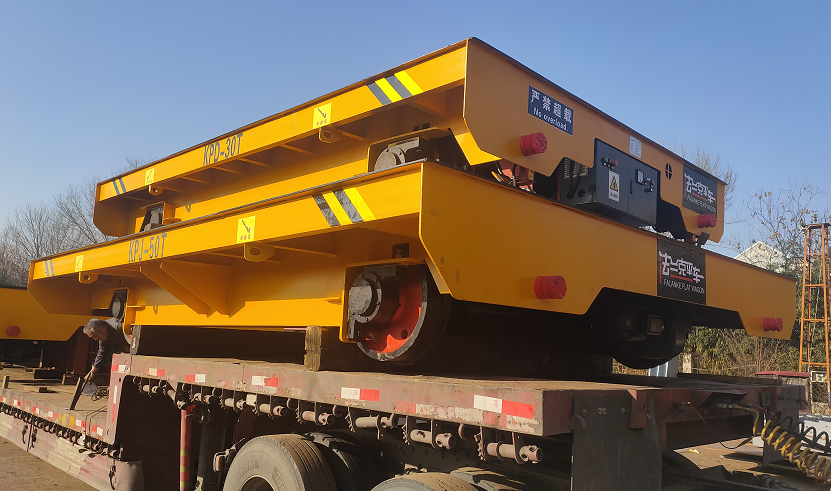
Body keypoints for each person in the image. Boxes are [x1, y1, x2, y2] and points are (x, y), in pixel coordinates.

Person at [83, 318, 130, 385]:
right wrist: (92, 373)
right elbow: (101, 353)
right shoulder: (103, 337)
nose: (95, 339)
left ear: (103, 328)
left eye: (95, 336)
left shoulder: (117, 326)